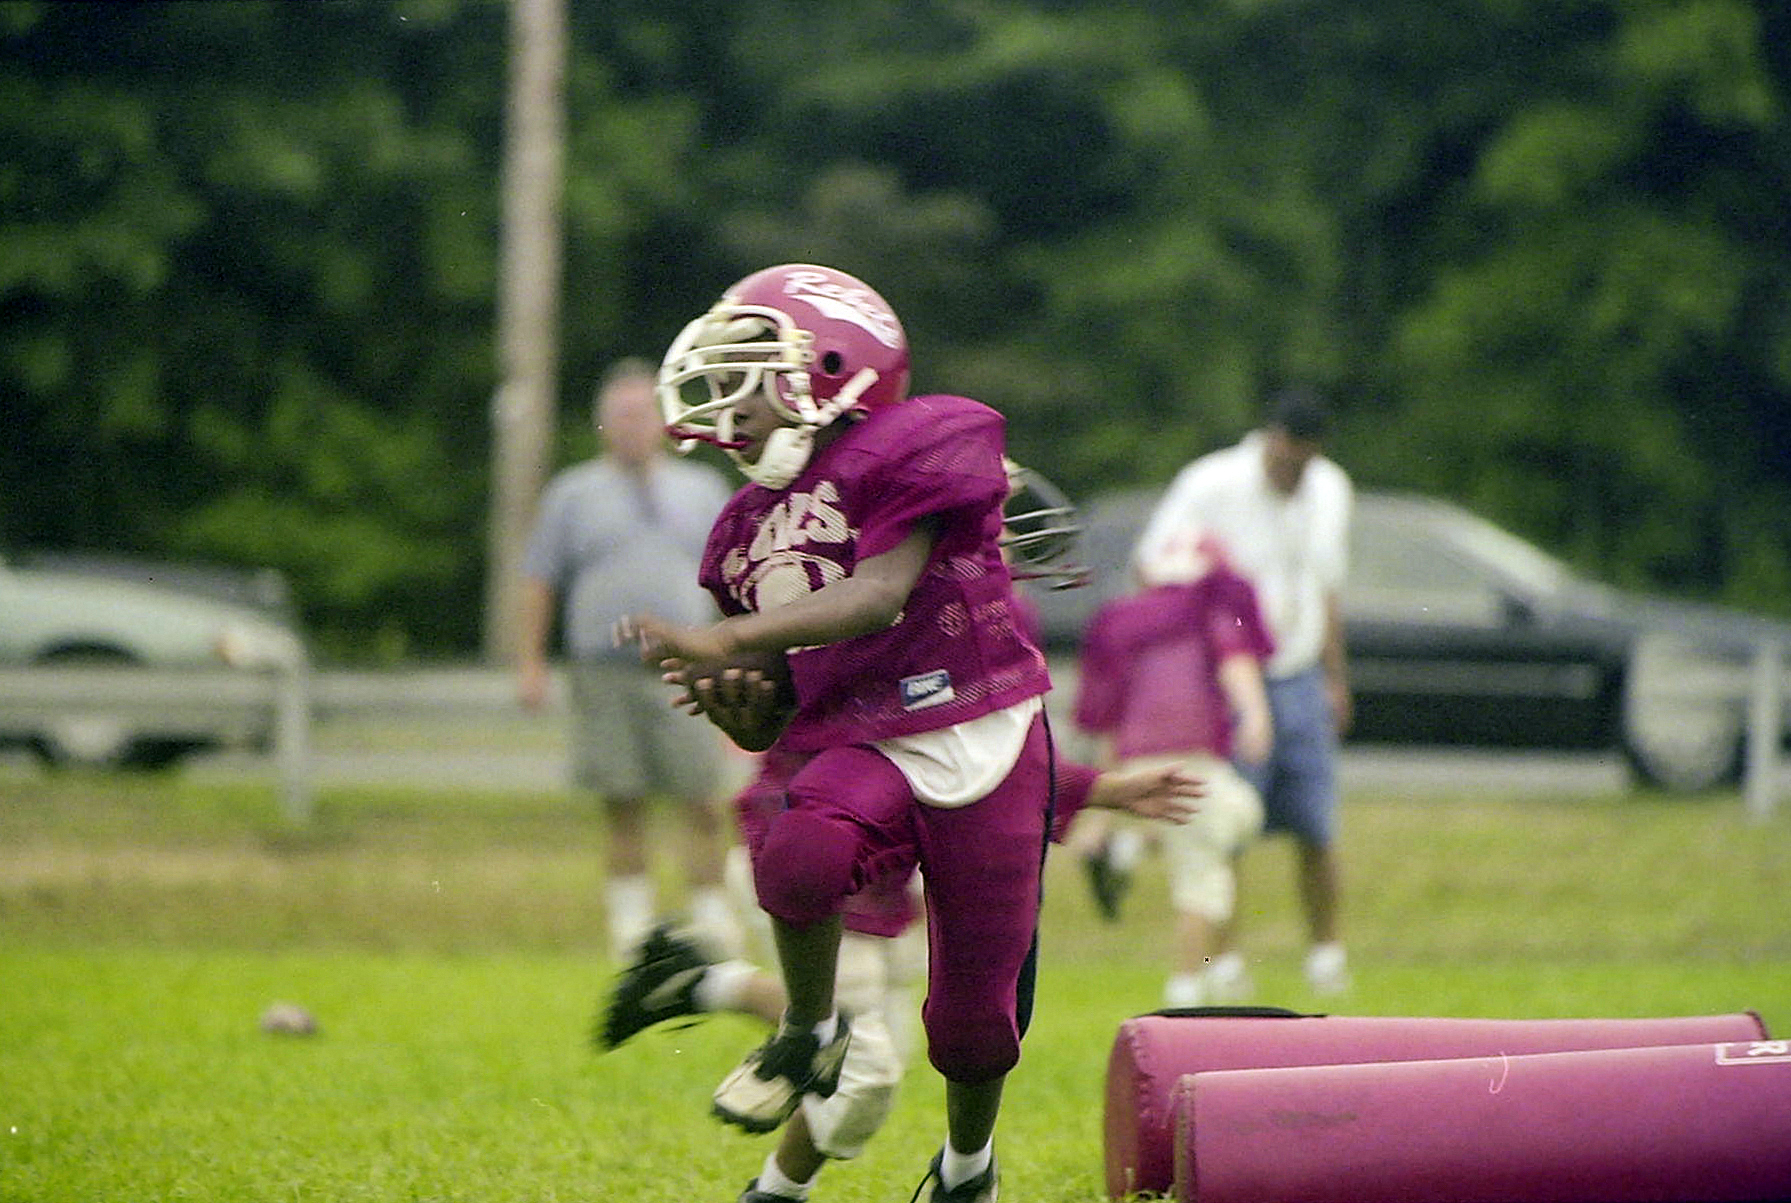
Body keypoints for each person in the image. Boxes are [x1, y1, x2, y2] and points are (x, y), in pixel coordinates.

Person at [616, 263, 1189, 1203]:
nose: (726, 402)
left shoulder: (912, 446)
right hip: (870, 737)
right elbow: (778, 706)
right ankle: (808, 1030)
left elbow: (878, 593)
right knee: (798, 852)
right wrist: (737, 700)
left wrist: (723, 639)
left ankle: (966, 1168)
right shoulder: (742, 532)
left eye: (747, 376)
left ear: (829, 369)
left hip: (984, 732)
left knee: (973, 1025)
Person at [1129, 386, 1354, 997]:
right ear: (1270, 440)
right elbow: (1153, 566)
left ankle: (1326, 956)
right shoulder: (1212, 482)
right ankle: (1220, 961)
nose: (1294, 470)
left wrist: (1336, 677)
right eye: (1286, 458)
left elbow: (1328, 586)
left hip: (1299, 671)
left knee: (1316, 822)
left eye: (1305, 460)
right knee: (1224, 824)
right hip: (1228, 675)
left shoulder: (1330, 488)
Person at [517, 358, 741, 961]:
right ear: (603, 423)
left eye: (642, 414)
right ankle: (632, 933)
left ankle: (712, 924)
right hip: (603, 670)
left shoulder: (703, 489)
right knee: (622, 801)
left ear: (664, 421)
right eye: (620, 415)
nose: (632, 425)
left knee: (703, 798)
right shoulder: (571, 493)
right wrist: (531, 662)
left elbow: (730, 580)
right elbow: (539, 579)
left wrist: (734, 655)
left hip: (685, 668)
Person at [1071, 530, 1275, 1008]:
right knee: (1203, 873)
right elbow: (1237, 662)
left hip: (1142, 764)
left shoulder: (1126, 624)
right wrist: (1256, 712)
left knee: (1232, 824)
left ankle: (1133, 845)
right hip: (1194, 765)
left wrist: (1102, 807)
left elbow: (1109, 719)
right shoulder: (1211, 612)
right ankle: (1184, 989)